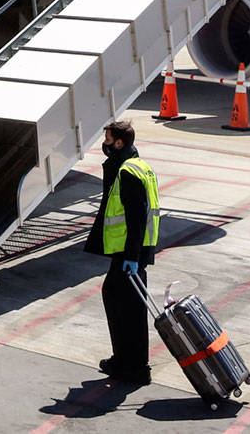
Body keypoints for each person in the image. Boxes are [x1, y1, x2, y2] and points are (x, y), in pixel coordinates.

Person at [84, 119, 160, 385]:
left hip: (129, 251)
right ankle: (129, 362)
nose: (103, 145)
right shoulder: (137, 165)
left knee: (122, 304)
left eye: (107, 140)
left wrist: (131, 257)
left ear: (118, 143)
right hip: (131, 251)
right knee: (127, 305)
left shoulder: (128, 172)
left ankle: (133, 365)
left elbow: (137, 218)